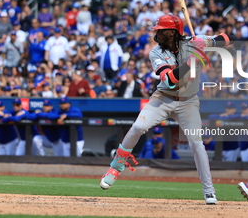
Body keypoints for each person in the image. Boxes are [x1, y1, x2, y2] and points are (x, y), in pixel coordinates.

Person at [99, 14, 235, 205]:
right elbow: (170, 81)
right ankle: (116, 165)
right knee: (138, 127)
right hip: (163, 98)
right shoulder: (156, 53)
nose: (157, 34)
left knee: (197, 144)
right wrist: (192, 61)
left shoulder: (193, 42)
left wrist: (209, 43)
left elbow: (229, 39)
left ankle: (209, 190)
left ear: (171, 33)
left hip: (188, 102)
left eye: (160, 31)